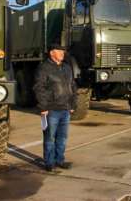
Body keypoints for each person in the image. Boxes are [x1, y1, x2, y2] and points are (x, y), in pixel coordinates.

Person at [33, 43, 78, 172]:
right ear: (52, 53)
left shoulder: (66, 68)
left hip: (65, 109)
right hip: (51, 109)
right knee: (50, 138)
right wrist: (43, 107)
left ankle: (60, 160)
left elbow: (73, 86)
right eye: (60, 51)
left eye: (63, 52)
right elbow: (39, 88)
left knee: (62, 138)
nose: (62, 53)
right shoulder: (44, 68)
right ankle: (49, 162)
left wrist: (73, 104)